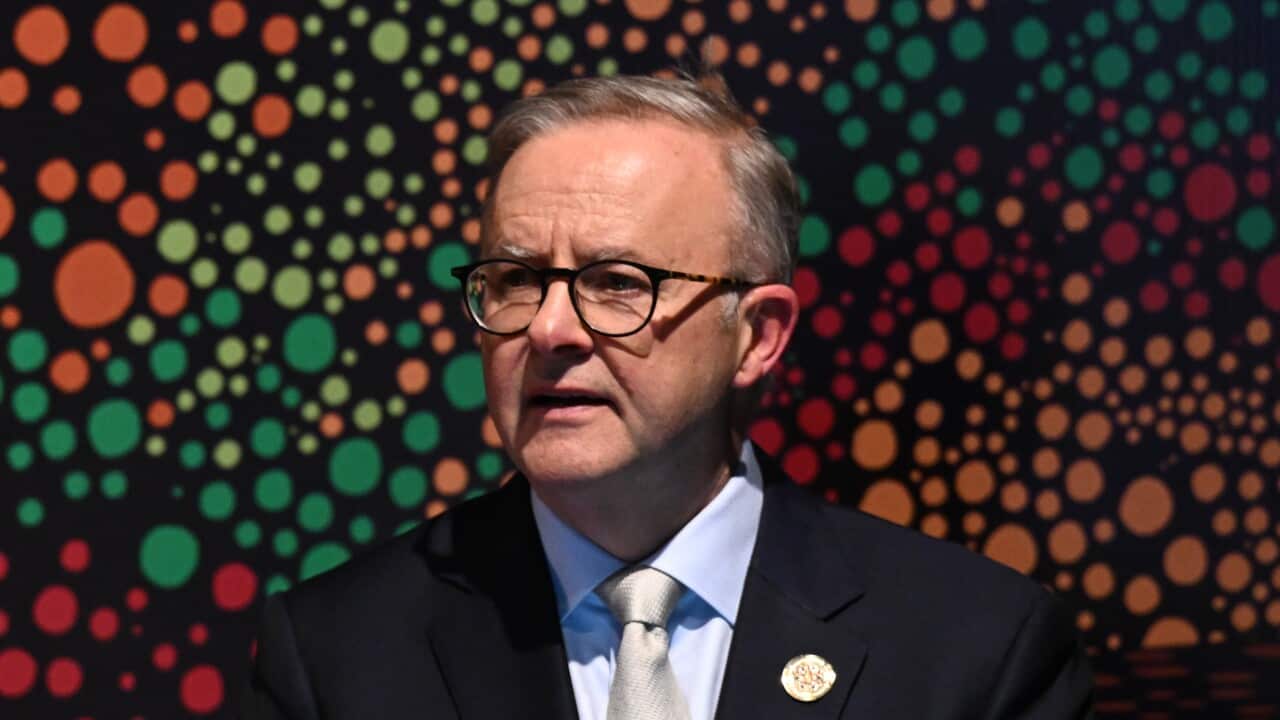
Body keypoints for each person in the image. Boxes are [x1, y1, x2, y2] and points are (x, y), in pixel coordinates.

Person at [239, 71, 1094, 719]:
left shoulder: (975, 652)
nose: (548, 330)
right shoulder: (333, 658)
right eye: (514, 279)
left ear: (756, 336)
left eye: (617, 281)